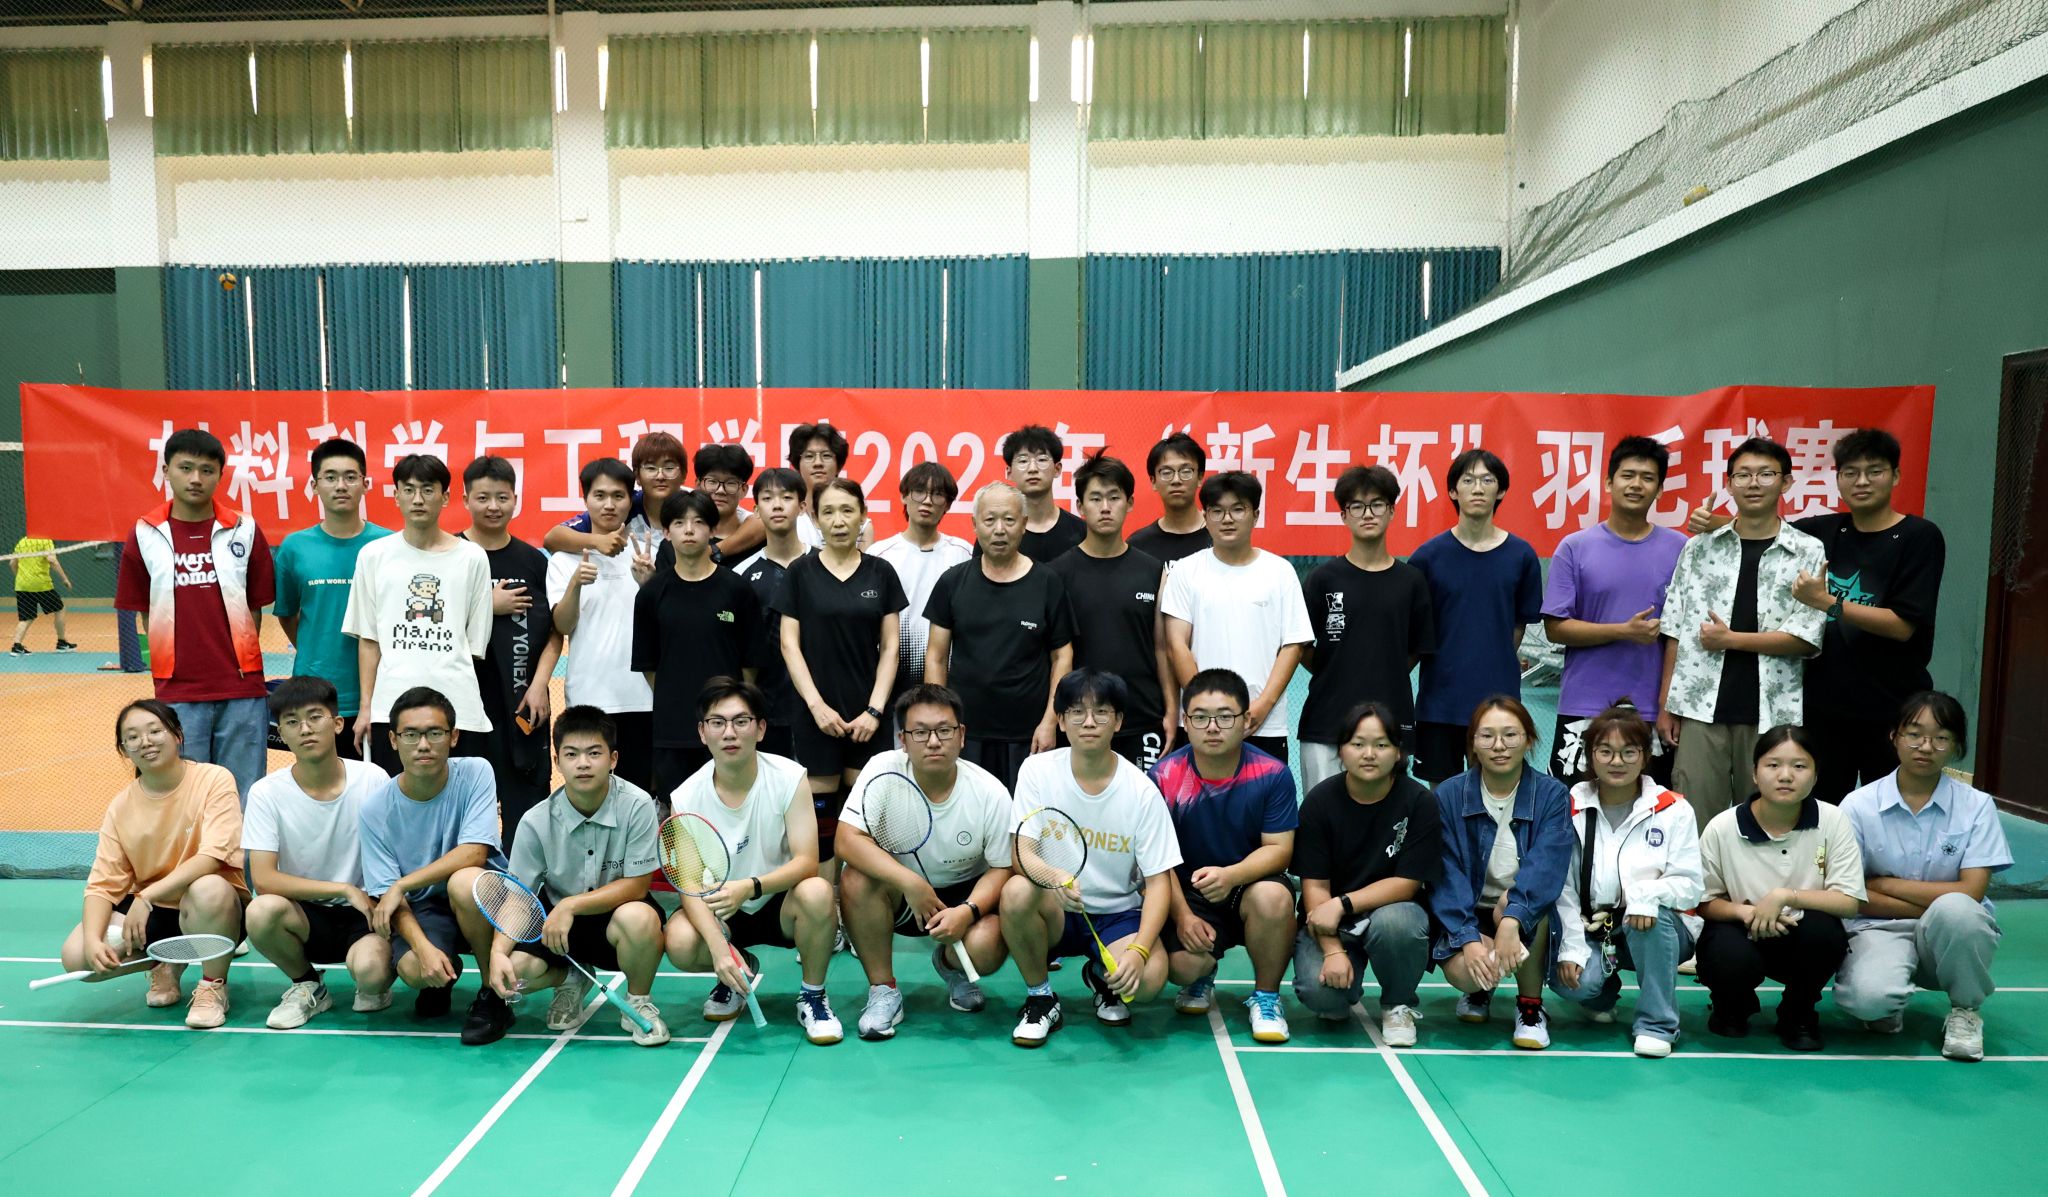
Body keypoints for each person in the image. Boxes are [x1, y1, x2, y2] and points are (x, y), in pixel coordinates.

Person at [1000, 670, 1181, 1046]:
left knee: (1148, 982)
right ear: (1061, 720)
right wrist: (1053, 877)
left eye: (1101, 711)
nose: (1089, 721)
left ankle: (1102, 976)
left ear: (1118, 721)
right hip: (1056, 906)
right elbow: (1021, 854)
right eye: (1077, 711)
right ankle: (1041, 997)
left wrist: (1139, 951)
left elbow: (1159, 882)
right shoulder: (1037, 771)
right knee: (1016, 892)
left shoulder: (1141, 791)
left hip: (1116, 914)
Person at [664, 678, 843, 1045]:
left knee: (818, 891)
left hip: (779, 900)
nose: (729, 732)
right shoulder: (685, 796)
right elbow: (690, 884)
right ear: (702, 732)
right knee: (679, 940)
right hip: (723, 908)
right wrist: (720, 951)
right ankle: (737, 969)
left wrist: (751, 887)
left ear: (760, 729)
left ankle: (813, 995)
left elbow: (807, 861)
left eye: (741, 721)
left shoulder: (789, 778)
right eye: (717, 722)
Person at [1658, 437, 1826, 829]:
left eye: (1766, 474)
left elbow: (1805, 637)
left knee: (1767, 820)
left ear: (1786, 482)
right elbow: (1675, 629)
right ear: (1729, 484)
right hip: (1699, 707)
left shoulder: (1807, 551)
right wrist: (1666, 702)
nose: (1753, 483)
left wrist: (1731, 639)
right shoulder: (1699, 549)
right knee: (1694, 819)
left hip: (1772, 710)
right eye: (1743, 475)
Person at [1837, 691, 2010, 1062]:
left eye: (1941, 738)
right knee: (1868, 1002)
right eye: (1914, 734)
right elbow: (1851, 893)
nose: (1926, 747)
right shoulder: (1858, 806)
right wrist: (1932, 902)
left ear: (1957, 746)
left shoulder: (1976, 806)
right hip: (1878, 927)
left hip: (1948, 932)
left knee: (1959, 912)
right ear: (1894, 737)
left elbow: (1972, 891)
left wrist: (1884, 884)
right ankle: (1887, 999)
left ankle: (1965, 1010)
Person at [837, 683, 1015, 1038]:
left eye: (944, 730)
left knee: (989, 944)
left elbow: (1002, 867)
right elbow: (846, 839)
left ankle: (952, 966)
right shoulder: (882, 769)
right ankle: (884, 990)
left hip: (962, 893)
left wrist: (968, 911)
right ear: (903, 739)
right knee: (855, 877)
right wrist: (910, 882)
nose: (933, 741)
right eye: (920, 732)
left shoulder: (989, 792)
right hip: (901, 894)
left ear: (961, 735)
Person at [486, 705, 669, 1047]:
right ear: (557, 761)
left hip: (615, 916)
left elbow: (638, 885)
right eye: (571, 754)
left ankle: (638, 1001)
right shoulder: (535, 821)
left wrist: (571, 905)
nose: (583, 763)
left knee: (641, 918)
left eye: (594, 753)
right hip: (558, 930)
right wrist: (497, 952)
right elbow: (518, 897)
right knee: (515, 969)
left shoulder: (637, 804)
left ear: (613, 759)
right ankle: (570, 977)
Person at [59, 700, 248, 1028]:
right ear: (124, 750)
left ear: (177, 735)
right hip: (154, 916)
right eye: (132, 737)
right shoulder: (121, 806)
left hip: (213, 908)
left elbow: (213, 855)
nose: (145, 742)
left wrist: (146, 896)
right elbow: (102, 885)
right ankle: (164, 962)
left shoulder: (213, 779)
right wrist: (92, 941)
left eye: (155, 731)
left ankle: (213, 985)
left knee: (209, 888)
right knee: (77, 957)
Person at [115, 427, 276, 799]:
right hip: (177, 691)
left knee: (242, 796)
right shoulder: (145, 534)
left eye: (206, 470)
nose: (195, 478)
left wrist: (237, 662)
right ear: (166, 471)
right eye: (185, 468)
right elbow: (145, 611)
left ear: (220, 475)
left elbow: (255, 607)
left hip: (242, 690)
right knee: (184, 799)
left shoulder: (244, 529)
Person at [356, 686, 510, 1044]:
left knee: (464, 881)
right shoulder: (375, 810)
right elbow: (388, 897)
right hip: (425, 909)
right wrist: (424, 950)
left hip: (484, 898)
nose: (423, 745)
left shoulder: (476, 772)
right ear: (393, 740)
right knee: (413, 968)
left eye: (434, 733)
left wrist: (403, 883)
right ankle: (443, 972)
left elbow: (474, 853)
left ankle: (492, 995)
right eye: (411, 734)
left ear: (453, 737)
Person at [1547, 704, 1703, 1058]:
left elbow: (1691, 885)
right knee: (1575, 985)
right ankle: (1601, 991)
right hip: (1591, 925)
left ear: (1645, 755)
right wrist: (1571, 946)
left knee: (1649, 918)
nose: (1617, 762)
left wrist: (1646, 895)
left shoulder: (1674, 809)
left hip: (1656, 927)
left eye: (1629, 752)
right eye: (1605, 751)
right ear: (1590, 755)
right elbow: (1562, 887)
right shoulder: (1569, 806)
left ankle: (1657, 1024)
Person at [1151, 670, 1298, 1043]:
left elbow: (1280, 850)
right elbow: (1155, 861)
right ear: (1185, 722)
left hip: (1249, 885)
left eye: (1225, 716)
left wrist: (1231, 876)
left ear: (1246, 720)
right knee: (1181, 966)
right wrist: (1183, 916)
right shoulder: (1163, 776)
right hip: (1191, 895)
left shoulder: (1272, 774)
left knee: (1274, 897)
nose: (1212, 727)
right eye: (1200, 717)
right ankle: (1202, 973)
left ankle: (1266, 996)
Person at [1696, 725, 1865, 1051]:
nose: (1785, 776)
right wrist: (1747, 912)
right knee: (1723, 952)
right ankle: (1732, 1006)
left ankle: (1798, 1012)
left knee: (1824, 935)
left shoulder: (1833, 820)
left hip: (1801, 931)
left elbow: (1848, 901)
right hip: (1741, 928)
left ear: (1815, 775)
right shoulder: (1722, 827)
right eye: (1773, 765)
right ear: (1755, 773)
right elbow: (1704, 901)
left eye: (1799, 766)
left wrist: (1785, 896)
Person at [242, 676, 394, 1029]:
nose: (305, 729)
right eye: (292, 721)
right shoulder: (266, 793)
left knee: (371, 974)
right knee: (261, 911)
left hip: (367, 912)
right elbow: (263, 879)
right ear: (281, 732)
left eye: (315, 717)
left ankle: (375, 983)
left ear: (337, 723)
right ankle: (308, 983)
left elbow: (394, 855)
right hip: (306, 915)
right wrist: (342, 889)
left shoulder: (372, 779)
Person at [1290, 702, 1441, 1047]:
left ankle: (1397, 1003)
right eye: (1358, 744)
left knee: (1399, 923)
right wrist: (1332, 951)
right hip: (1333, 923)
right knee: (1323, 998)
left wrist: (1343, 903)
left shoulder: (1419, 802)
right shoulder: (1319, 802)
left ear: (1398, 752)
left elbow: (1408, 883)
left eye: (1381, 744)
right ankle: (1345, 985)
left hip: (1391, 913)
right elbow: (1315, 887)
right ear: (1341, 750)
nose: (1369, 754)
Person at [1430, 696, 1573, 1050]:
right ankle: (1480, 990)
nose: (1499, 746)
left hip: (1522, 907)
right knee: (1467, 975)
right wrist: (1469, 938)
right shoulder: (1448, 795)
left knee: (1529, 907)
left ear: (1528, 739)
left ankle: (1530, 1007)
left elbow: (1546, 867)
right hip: (1468, 910)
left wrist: (1512, 920)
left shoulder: (1552, 795)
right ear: (1473, 743)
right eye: (1487, 736)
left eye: (1510, 735)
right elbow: (1445, 874)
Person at [1541, 437, 1686, 785]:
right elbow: (1555, 628)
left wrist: (1667, 705)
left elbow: (1681, 636)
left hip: (1652, 709)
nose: (1636, 485)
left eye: (1647, 478)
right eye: (1627, 475)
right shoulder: (1574, 547)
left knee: (1651, 809)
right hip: (1583, 704)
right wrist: (1623, 631)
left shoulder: (1681, 548)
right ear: (1609, 482)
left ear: (1660, 490)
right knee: (1573, 806)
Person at [773, 478, 903, 865]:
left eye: (848, 510)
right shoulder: (800, 572)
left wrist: (875, 711)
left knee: (866, 820)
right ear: (814, 518)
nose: (839, 520)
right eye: (828, 512)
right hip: (816, 713)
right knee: (821, 822)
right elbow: (789, 645)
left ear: (863, 515)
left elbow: (891, 648)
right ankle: (824, 897)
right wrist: (817, 707)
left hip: (869, 714)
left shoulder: (881, 572)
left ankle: (860, 895)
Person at [342, 453, 494, 775]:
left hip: (459, 710)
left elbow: (473, 645)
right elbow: (369, 640)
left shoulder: (473, 558)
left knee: (457, 800)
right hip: (390, 710)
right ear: (396, 495)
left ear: (445, 497)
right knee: (394, 799)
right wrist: (367, 707)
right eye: (409, 490)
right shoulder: (373, 556)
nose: (418, 499)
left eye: (427, 490)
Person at [926, 482, 1076, 790]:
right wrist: (940, 722)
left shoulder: (1047, 582)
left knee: (1025, 816)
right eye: (990, 519)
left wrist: (1050, 721)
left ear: (1023, 524)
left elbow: (1063, 656)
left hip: (1029, 734)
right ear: (975, 524)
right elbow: (936, 656)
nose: (999, 529)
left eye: (1009, 519)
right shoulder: (952, 582)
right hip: (966, 733)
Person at [1408, 449, 1543, 785]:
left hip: (1499, 701)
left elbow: (1518, 625)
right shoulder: (1427, 557)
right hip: (1440, 702)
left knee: (1494, 790)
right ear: (1453, 491)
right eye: (1468, 480)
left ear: (1501, 490)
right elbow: (1416, 629)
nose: (1478, 488)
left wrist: (1494, 658)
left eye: (1487, 480)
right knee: (1442, 796)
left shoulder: (1522, 556)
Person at [1299, 465, 1436, 791]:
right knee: (1323, 814)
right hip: (1325, 722)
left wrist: (1381, 671)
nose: (1368, 513)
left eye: (1377, 504)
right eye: (1357, 506)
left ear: (1391, 511)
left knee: (1386, 816)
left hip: (1391, 724)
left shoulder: (1411, 581)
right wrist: (1336, 670)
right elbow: (1301, 646)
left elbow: (1416, 649)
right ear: (1344, 515)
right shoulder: (1323, 579)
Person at [1161, 471, 1312, 763]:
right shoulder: (1185, 571)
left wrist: (1262, 706)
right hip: (1201, 725)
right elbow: (1176, 644)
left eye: (1237, 509)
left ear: (1255, 515)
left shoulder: (1280, 572)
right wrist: (1205, 709)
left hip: (1263, 724)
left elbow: (1293, 645)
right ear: (1205, 517)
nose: (1227, 519)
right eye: (1217, 511)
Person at [635, 489, 762, 806]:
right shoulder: (651, 594)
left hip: (728, 729)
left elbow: (750, 663)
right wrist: (676, 697)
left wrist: (732, 710)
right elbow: (649, 665)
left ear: (713, 530)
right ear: (667, 532)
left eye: (698, 522)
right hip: (673, 727)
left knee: (733, 806)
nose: (689, 530)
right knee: (679, 814)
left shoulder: (737, 589)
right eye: (679, 523)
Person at [1048, 452, 1175, 770]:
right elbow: (1055, 655)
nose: (1105, 507)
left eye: (1114, 498)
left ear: (1129, 503)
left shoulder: (1153, 570)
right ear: (1080, 507)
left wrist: (1171, 710)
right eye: (1095, 499)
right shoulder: (1057, 574)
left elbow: (1162, 647)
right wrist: (1051, 718)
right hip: (1080, 720)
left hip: (1142, 716)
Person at [459, 455, 561, 846]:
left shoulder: (533, 561)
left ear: (516, 500)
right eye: (483, 497)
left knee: (527, 810)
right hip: (465, 707)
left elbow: (555, 632)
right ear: (465, 499)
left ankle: (523, 880)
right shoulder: (450, 555)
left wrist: (539, 685)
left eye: (502, 498)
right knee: (468, 809)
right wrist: (487, 605)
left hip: (523, 703)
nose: (493, 506)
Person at [273, 437, 391, 758]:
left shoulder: (388, 545)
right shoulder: (294, 547)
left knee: (376, 783)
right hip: (314, 695)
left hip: (376, 696)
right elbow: (287, 614)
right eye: (330, 477)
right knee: (319, 781)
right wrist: (317, 651)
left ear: (365, 484)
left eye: (351, 477)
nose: (341, 486)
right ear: (314, 485)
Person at [548, 458, 657, 792]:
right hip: (588, 696)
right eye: (600, 495)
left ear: (630, 500)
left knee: (641, 796)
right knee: (589, 793)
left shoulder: (650, 554)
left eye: (618, 496)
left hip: (644, 698)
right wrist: (575, 584)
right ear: (585, 499)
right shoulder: (564, 559)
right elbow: (563, 625)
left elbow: (665, 626)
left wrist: (649, 585)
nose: (609, 504)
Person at [870, 462, 974, 719]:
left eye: (937, 494)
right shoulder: (879, 555)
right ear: (904, 496)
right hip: (890, 682)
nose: (927, 501)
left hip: (948, 680)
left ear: (947, 504)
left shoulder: (964, 554)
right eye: (919, 492)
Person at [731, 467, 808, 759]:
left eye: (786, 497)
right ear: (755, 510)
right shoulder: (741, 575)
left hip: (824, 707)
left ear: (802, 506)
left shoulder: (822, 564)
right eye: (767, 498)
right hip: (766, 711)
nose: (777, 505)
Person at [999, 424, 1086, 563]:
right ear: (1009, 472)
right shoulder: (998, 534)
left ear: (1057, 469)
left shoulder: (1082, 532)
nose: (1033, 469)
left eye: (1042, 459)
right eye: (1023, 461)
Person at [1127, 432, 1211, 565]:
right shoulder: (1139, 545)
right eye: (1166, 473)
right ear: (1153, 481)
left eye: (1185, 471)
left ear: (1200, 477)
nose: (1176, 480)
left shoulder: (1219, 538)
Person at [789, 423, 872, 549]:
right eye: (809, 456)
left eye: (826, 455)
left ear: (839, 464)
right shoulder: (788, 518)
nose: (818, 463)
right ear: (797, 464)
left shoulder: (862, 525)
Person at [693, 442, 766, 564]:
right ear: (698, 485)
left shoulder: (761, 543)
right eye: (712, 481)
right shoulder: (681, 538)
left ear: (744, 490)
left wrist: (713, 551)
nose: (720, 490)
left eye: (731, 483)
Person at [10, 532, 76, 654]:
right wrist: (65, 579)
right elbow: (52, 560)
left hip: (22, 586)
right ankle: (61, 642)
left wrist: (21, 578)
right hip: (41, 585)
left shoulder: (22, 542)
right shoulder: (45, 541)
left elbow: (12, 563)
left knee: (26, 617)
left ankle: (16, 646)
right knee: (60, 609)